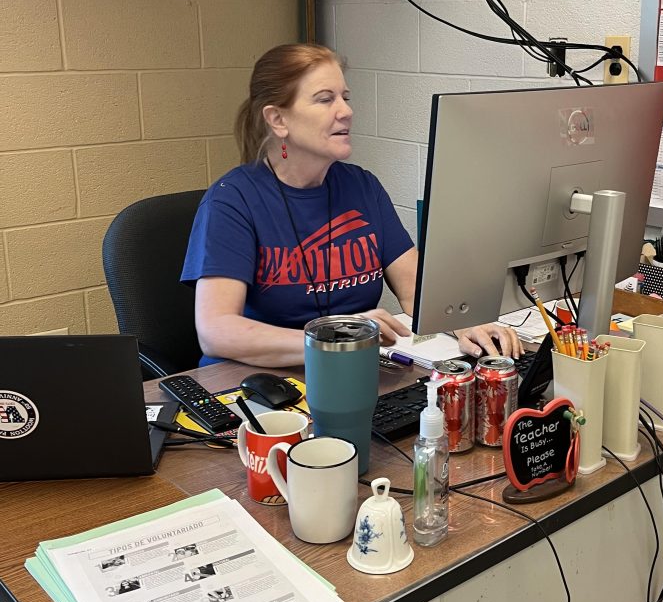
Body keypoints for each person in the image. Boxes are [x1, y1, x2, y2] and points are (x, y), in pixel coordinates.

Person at [182, 43, 521, 367]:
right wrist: (332, 337)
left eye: (345, 97)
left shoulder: (362, 186)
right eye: (325, 100)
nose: (346, 111)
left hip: (350, 370)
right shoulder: (232, 200)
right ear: (278, 120)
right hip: (259, 387)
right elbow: (217, 332)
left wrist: (465, 323)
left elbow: (415, 289)